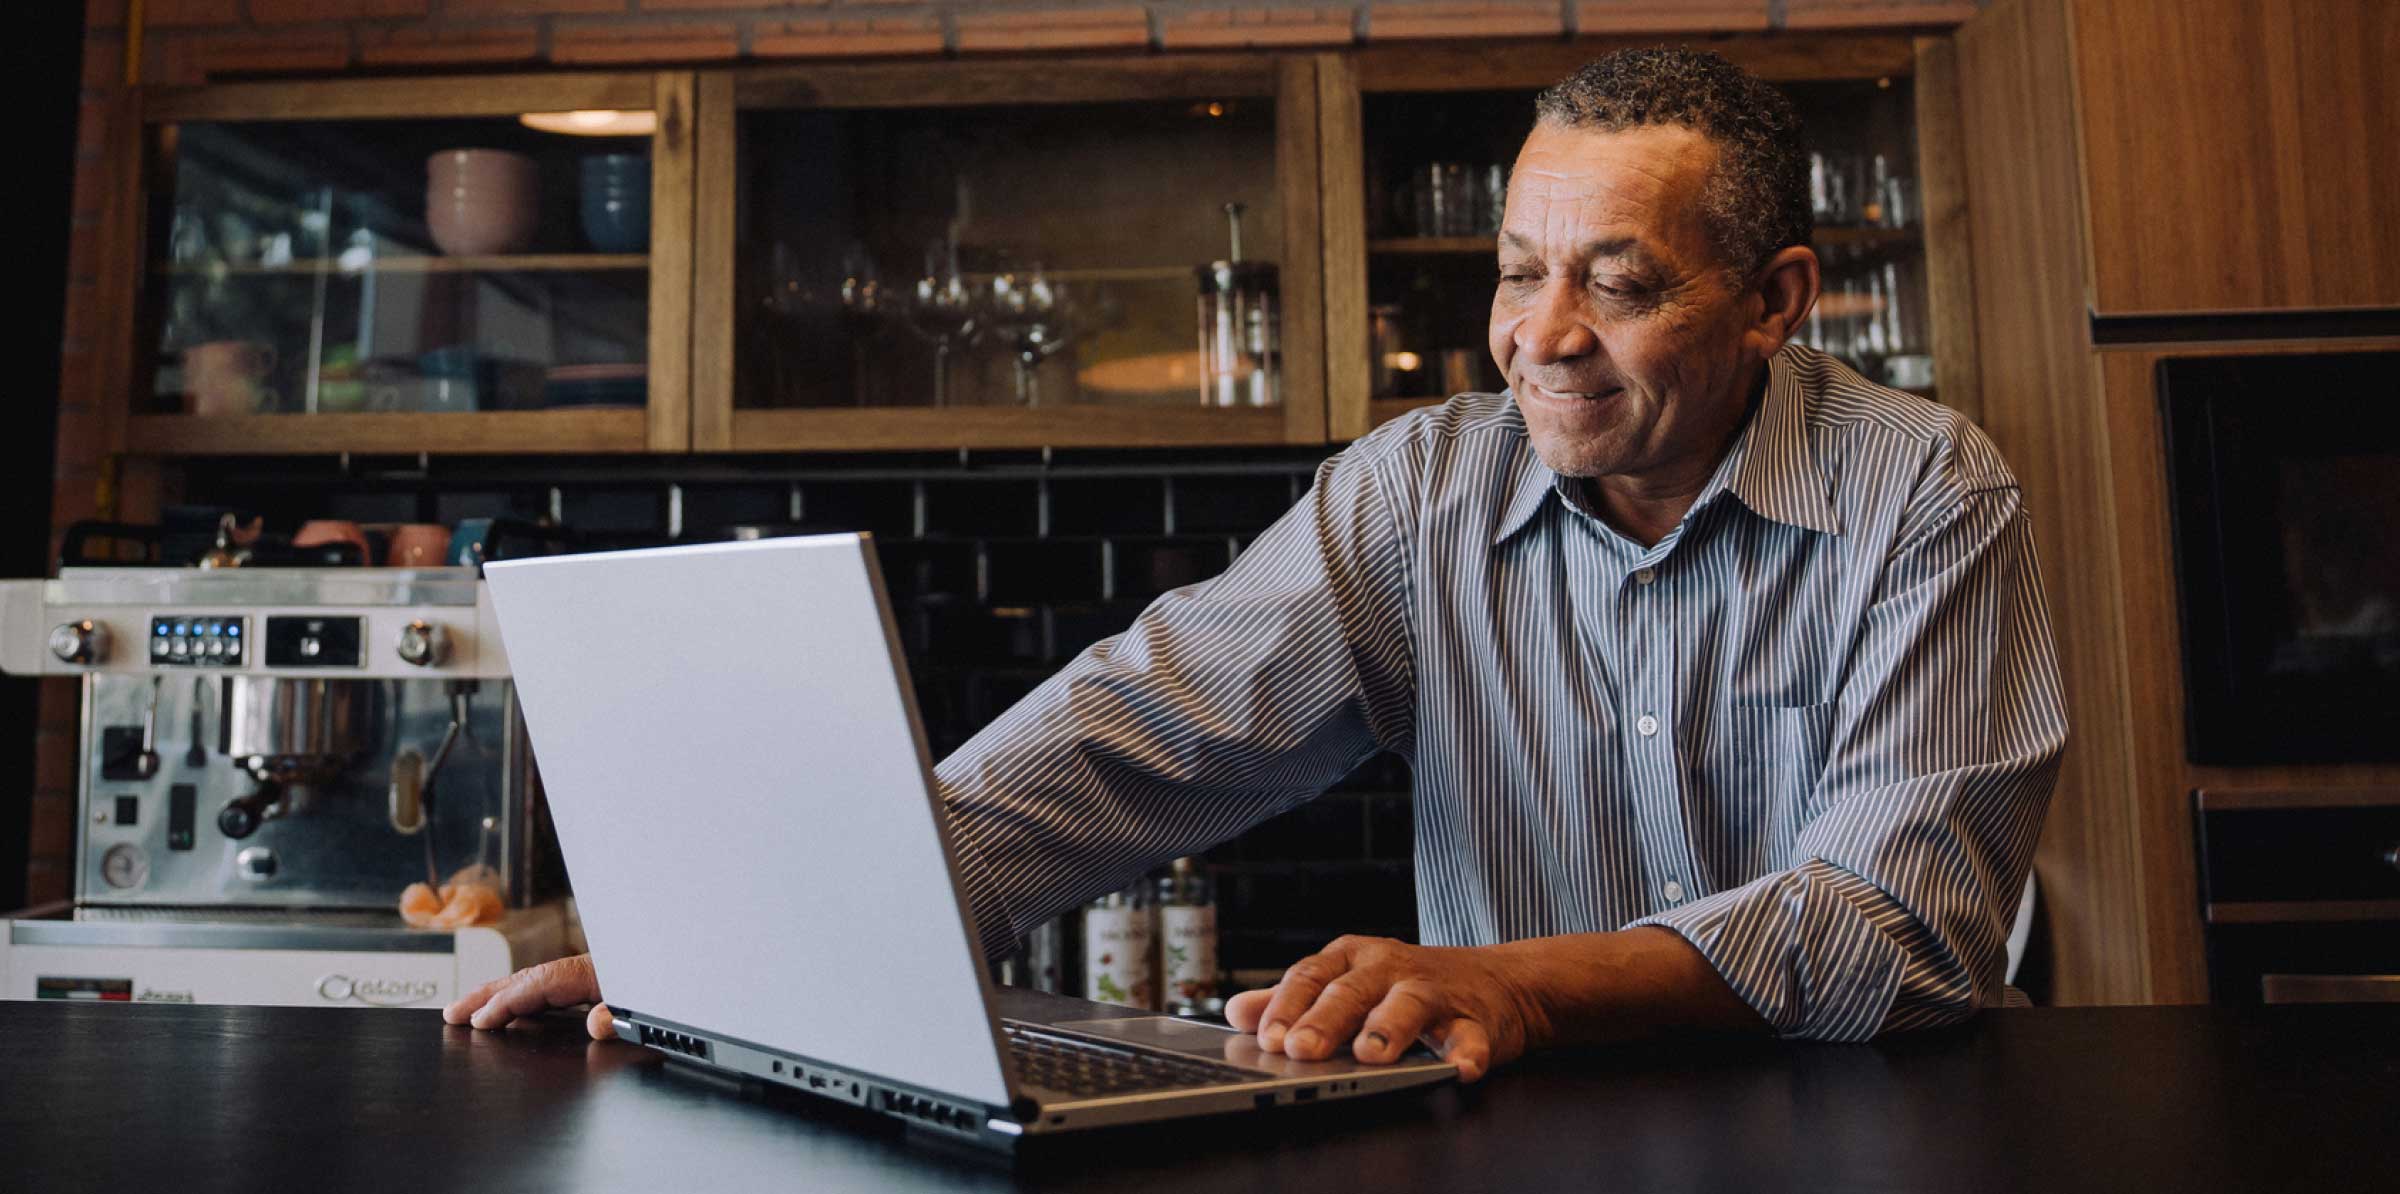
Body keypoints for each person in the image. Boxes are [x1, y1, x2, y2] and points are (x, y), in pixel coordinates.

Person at [448, 48, 2067, 1084]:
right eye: (1517, 274)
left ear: (1775, 301)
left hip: (1864, 1139)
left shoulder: (1922, 490)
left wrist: (1519, 982)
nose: (1541, 337)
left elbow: (1900, 917)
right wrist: (736, 946)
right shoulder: (1420, 491)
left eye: (1620, 283)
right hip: (1510, 1141)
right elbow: (1130, 739)